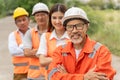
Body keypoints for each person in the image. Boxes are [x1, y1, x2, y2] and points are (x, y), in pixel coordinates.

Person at [47, 7, 116, 80]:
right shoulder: (59, 51)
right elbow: (52, 76)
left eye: (79, 26)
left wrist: (67, 76)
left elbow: (104, 78)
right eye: (70, 27)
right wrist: (83, 77)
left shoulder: (102, 52)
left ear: (86, 26)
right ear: (66, 29)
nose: (74, 31)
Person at [36, 3, 70, 67]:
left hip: (70, 76)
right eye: (54, 18)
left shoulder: (72, 36)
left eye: (60, 18)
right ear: (50, 19)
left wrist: (50, 59)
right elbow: (42, 61)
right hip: (51, 76)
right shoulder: (45, 37)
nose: (57, 21)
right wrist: (63, 59)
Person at [23, 2, 49, 80]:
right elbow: (26, 53)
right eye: (37, 15)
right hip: (33, 76)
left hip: (50, 74)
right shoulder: (30, 33)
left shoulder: (54, 32)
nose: (40, 17)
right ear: (34, 17)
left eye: (43, 15)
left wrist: (34, 51)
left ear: (48, 15)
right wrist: (47, 52)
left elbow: (58, 53)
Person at [8, 7, 30, 80]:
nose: (22, 22)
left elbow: (39, 50)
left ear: (28, 20)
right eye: (19, 21)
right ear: (16, 23)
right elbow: (13, 52)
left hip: (34, 71)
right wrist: (29, 49)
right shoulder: (12, 35)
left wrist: (20, 47)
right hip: (19, 73)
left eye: (24, 19)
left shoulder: (34, 33)